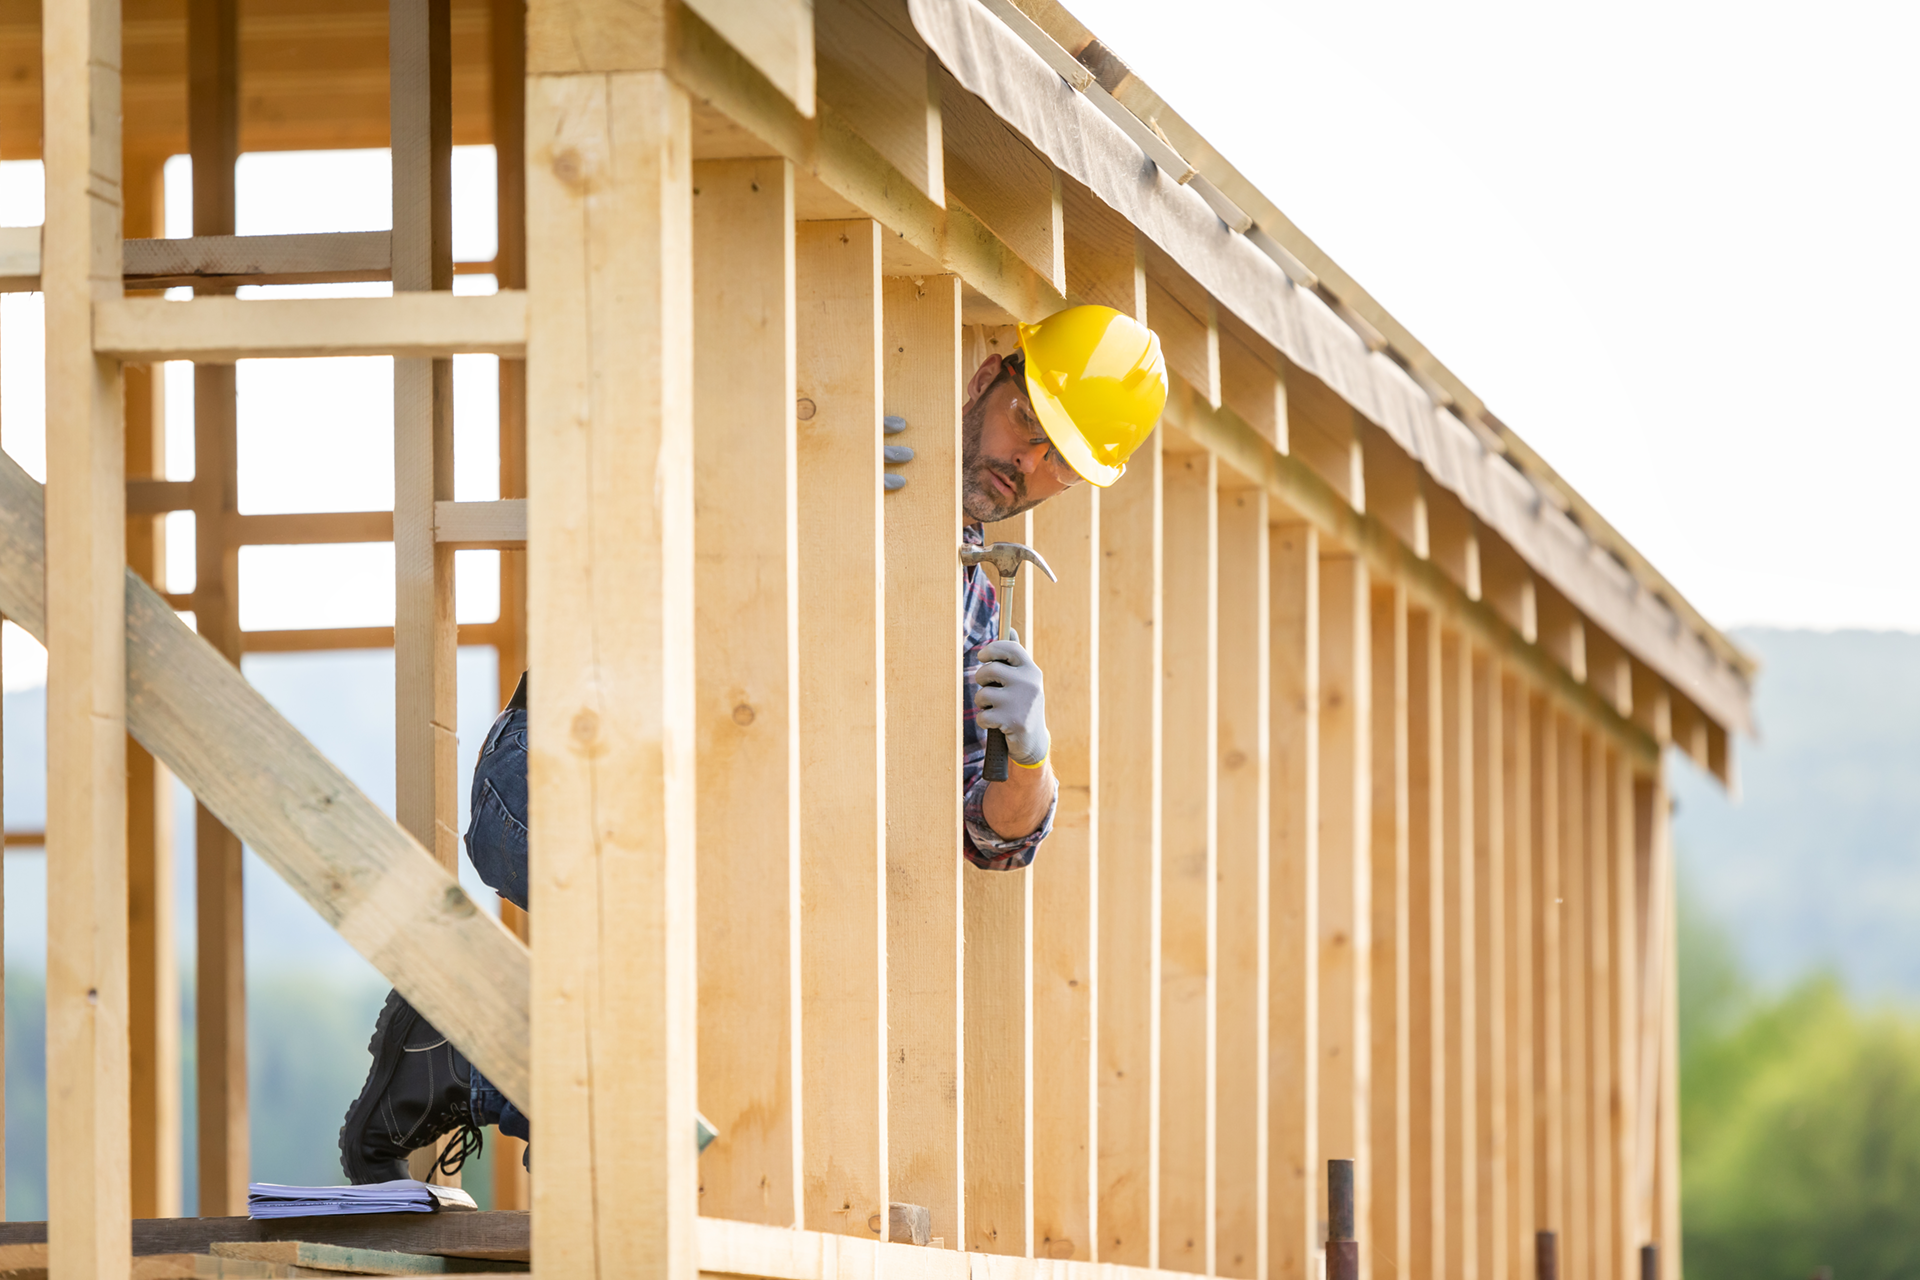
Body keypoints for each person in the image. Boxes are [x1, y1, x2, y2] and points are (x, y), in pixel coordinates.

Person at [338, 304, 1167, 1182]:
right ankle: (501, 1070)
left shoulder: (967, 609)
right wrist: (779, 461)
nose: (1026, 467)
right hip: (557, 775)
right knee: (707, 952)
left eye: (1059, 467)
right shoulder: (814, 435)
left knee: (743, 1012)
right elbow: (622, 473)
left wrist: (1029, 754)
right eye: (1028, 425)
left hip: (713, 872)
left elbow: (995, 838)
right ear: (982, 378)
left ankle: (464, 1063)